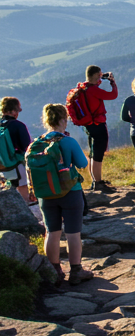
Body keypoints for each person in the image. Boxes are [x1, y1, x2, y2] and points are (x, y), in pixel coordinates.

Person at [34, 104, 92, 284]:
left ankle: (55, 272)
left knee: (52, 232)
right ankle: (76, 271)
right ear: (62, 120)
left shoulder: (37, 143)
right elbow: (82, 163)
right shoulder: (68, 141)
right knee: (73, 233)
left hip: (45, 193)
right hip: (70, 192)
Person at [74, 65, 119, 193]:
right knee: (98, 153)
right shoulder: (93, 90)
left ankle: (95, 181)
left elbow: (95, 85)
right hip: (98, 124)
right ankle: (98, 182)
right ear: (95, 75)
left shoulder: (83, 88)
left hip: (88, 124)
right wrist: (112, 82)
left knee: (93, 152)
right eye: (99, 74)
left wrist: (101, 78)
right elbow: (113, 95)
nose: (101, 76)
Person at [1, 97, 33, 203]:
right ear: (13, 111)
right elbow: (28, 148)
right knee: (24, 198)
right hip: (17, 167)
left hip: (2, 169)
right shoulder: (18, 126)